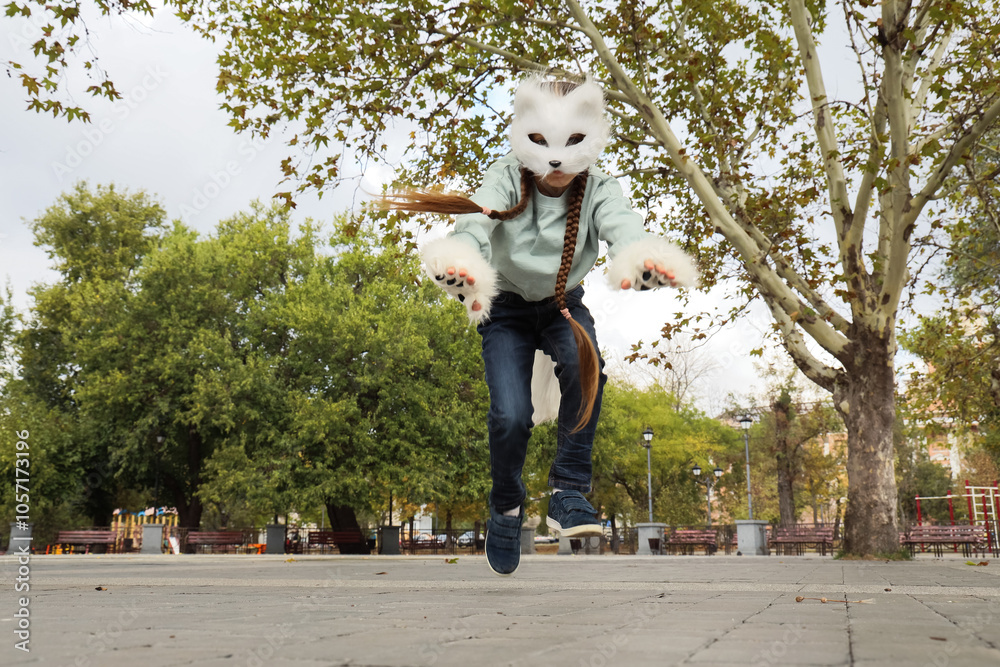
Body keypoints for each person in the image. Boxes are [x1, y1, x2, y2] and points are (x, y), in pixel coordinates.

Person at [380, 74, 696, 575]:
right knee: (510, 416)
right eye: (542, 144)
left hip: (560, 305)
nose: (555, 162)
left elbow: (622, 226)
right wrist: (462, 262)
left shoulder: (599, 189)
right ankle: (506, 501)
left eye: (570, 144)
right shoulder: (507, 175)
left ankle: (569, 489)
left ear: (591, 137)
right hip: (504, 308)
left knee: (585, 363)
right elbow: (475, 224)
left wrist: (639, 258)